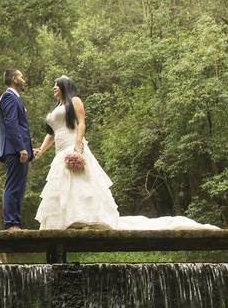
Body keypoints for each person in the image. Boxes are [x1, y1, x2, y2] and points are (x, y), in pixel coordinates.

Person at [33, 75, 217, 231]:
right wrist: (41, 150)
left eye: (57, 84)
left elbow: (81, 123)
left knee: (80, 186)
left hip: (73, 146)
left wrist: (78, 145)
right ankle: (64, 221)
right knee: (61, 187)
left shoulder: (74, 101)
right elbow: (52, 133)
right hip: (60, 151)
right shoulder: (56, 108)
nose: (54, 87)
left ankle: (83, 220)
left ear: (65, 87)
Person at [0, 69, 34, 230]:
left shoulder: (15, 98)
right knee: (13, 186)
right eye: (21, 77)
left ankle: (16, 223)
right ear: (13, 79)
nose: (23, 80)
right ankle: (10, 223)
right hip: (14, 150)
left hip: (18, 149)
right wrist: (21, 148)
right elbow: (11, 124)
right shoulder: (8, 97)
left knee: (19, 187)